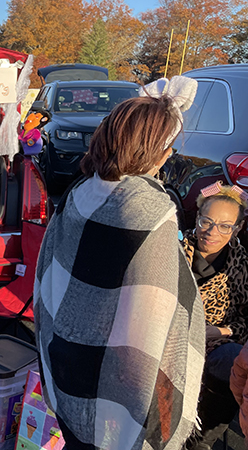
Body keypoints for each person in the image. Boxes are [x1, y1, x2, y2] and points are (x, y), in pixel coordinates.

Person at [34, 77, 205, 450]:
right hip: (117, 374)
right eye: (169, 148)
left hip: (65, 354)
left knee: (78, 435)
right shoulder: (151, 210)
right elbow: (159, 315)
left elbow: (51, 273)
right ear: (158, 152)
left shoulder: (80, 191)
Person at [180, 181, 248, 449]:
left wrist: (221, 331)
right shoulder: (172, 249)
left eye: (224, 226)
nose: (212, 232)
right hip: (172, 339)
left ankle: (202, 439)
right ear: (197, 217)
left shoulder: (241, 265)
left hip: (217, 342)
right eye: (206, 221)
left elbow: (245, 321)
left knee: (234, 362)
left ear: (237, 229)